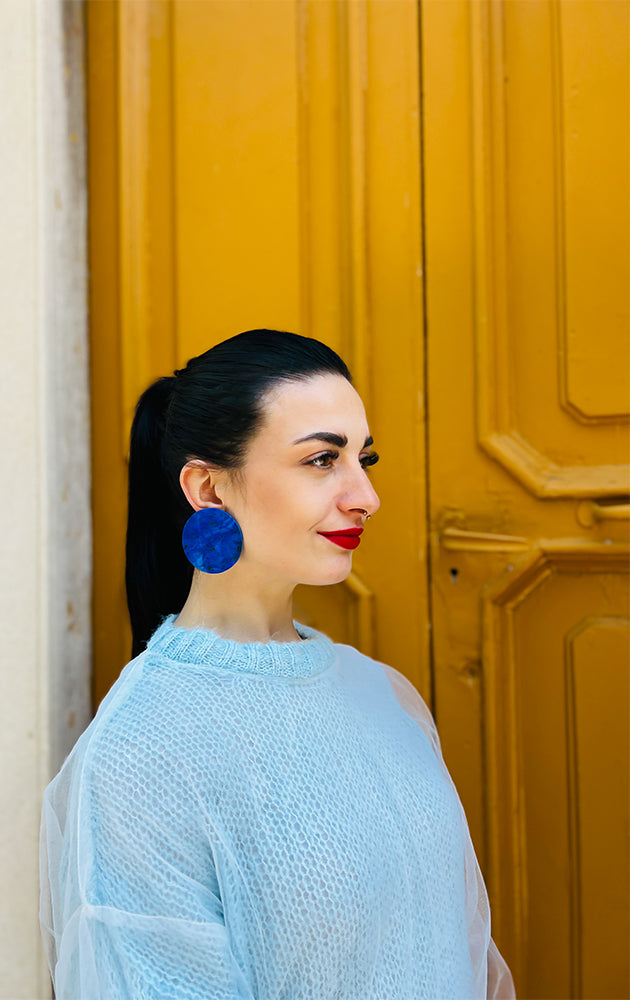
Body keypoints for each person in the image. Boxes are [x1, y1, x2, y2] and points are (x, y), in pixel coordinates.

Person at [40, 329, 515, 999]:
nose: (365, 496)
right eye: (323, 459)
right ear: (207, 487)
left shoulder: (388, 697)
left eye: (363, 457)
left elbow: (459, 957)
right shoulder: (141, 752)